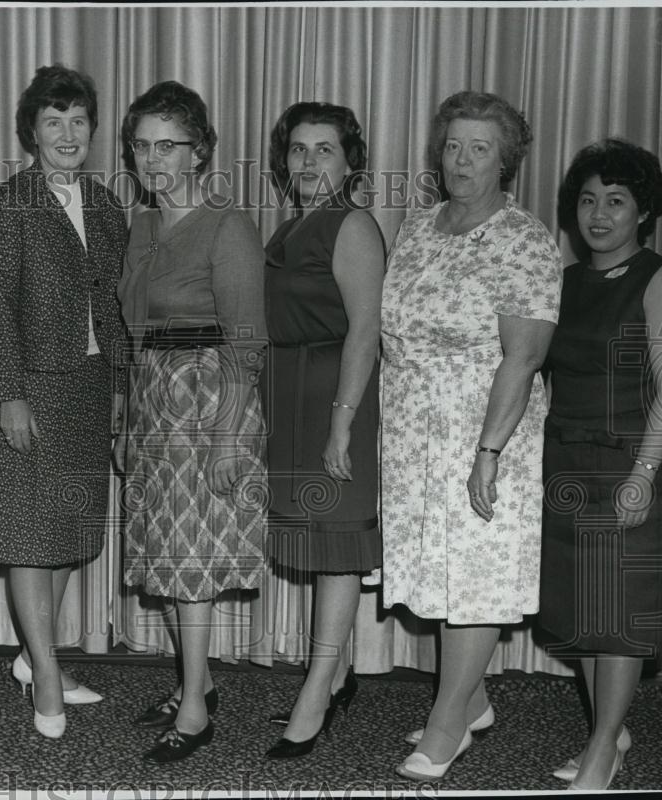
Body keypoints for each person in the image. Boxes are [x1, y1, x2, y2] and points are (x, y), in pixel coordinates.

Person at [379, 90, 563, 781]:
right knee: (438, 577)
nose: (462, 160)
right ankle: (471, 698)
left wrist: (489, 451)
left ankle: (448, 724)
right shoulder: (418, 226)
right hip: (410, 431)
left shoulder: (524, 240)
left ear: (505, 160)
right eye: (453, 145)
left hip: (484, 430)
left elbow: (524, 357)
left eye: (479, 148)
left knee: (474, 579)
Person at [116, 80, 268, 763]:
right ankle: (193, 683)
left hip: (209, 399)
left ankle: (198, 710)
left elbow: (246, 339)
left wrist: (231, 436)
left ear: (199, 150)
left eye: (167, 146)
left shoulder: (227, 223)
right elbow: (132, 328)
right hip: (153, 398)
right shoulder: (142, 224)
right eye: (142, 146)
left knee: (192, 561)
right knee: (171, 553)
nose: (153, 159)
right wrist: (126, 413)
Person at [0, 65, 127, 741]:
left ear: (93, 130)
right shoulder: (9, 204)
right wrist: (8, 395)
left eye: (78, 121)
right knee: (31, 542)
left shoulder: (106, 205)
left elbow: (119, 307)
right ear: (31, 131)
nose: (67, 135)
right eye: (53, 122)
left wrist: (122, 386)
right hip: (34, 388)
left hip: (94, 389)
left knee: (69, 534)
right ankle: (42, 670)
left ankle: (40, 660)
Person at [540, 139, 662, 791]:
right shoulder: (563, 282)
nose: (599, 214)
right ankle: (611, 728)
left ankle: (602, 748)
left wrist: (643, 476)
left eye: (617, 201)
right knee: (581, 612)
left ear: (644, 213)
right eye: (589, 199)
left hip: (632, 464)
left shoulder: (658, 278)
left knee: (620, 617)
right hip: (566, 463)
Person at [260, 102, 384, 759]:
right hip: (293, 401)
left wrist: (341, 425)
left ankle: (316, 689)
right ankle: (335, 672)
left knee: (337, 549)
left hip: (339, 402)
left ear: (349, 160)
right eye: (299, 150)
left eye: (325, 149)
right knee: (314, 542)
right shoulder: (290, 229)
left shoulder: (352, 225)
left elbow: (366, 329)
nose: (309, 162)